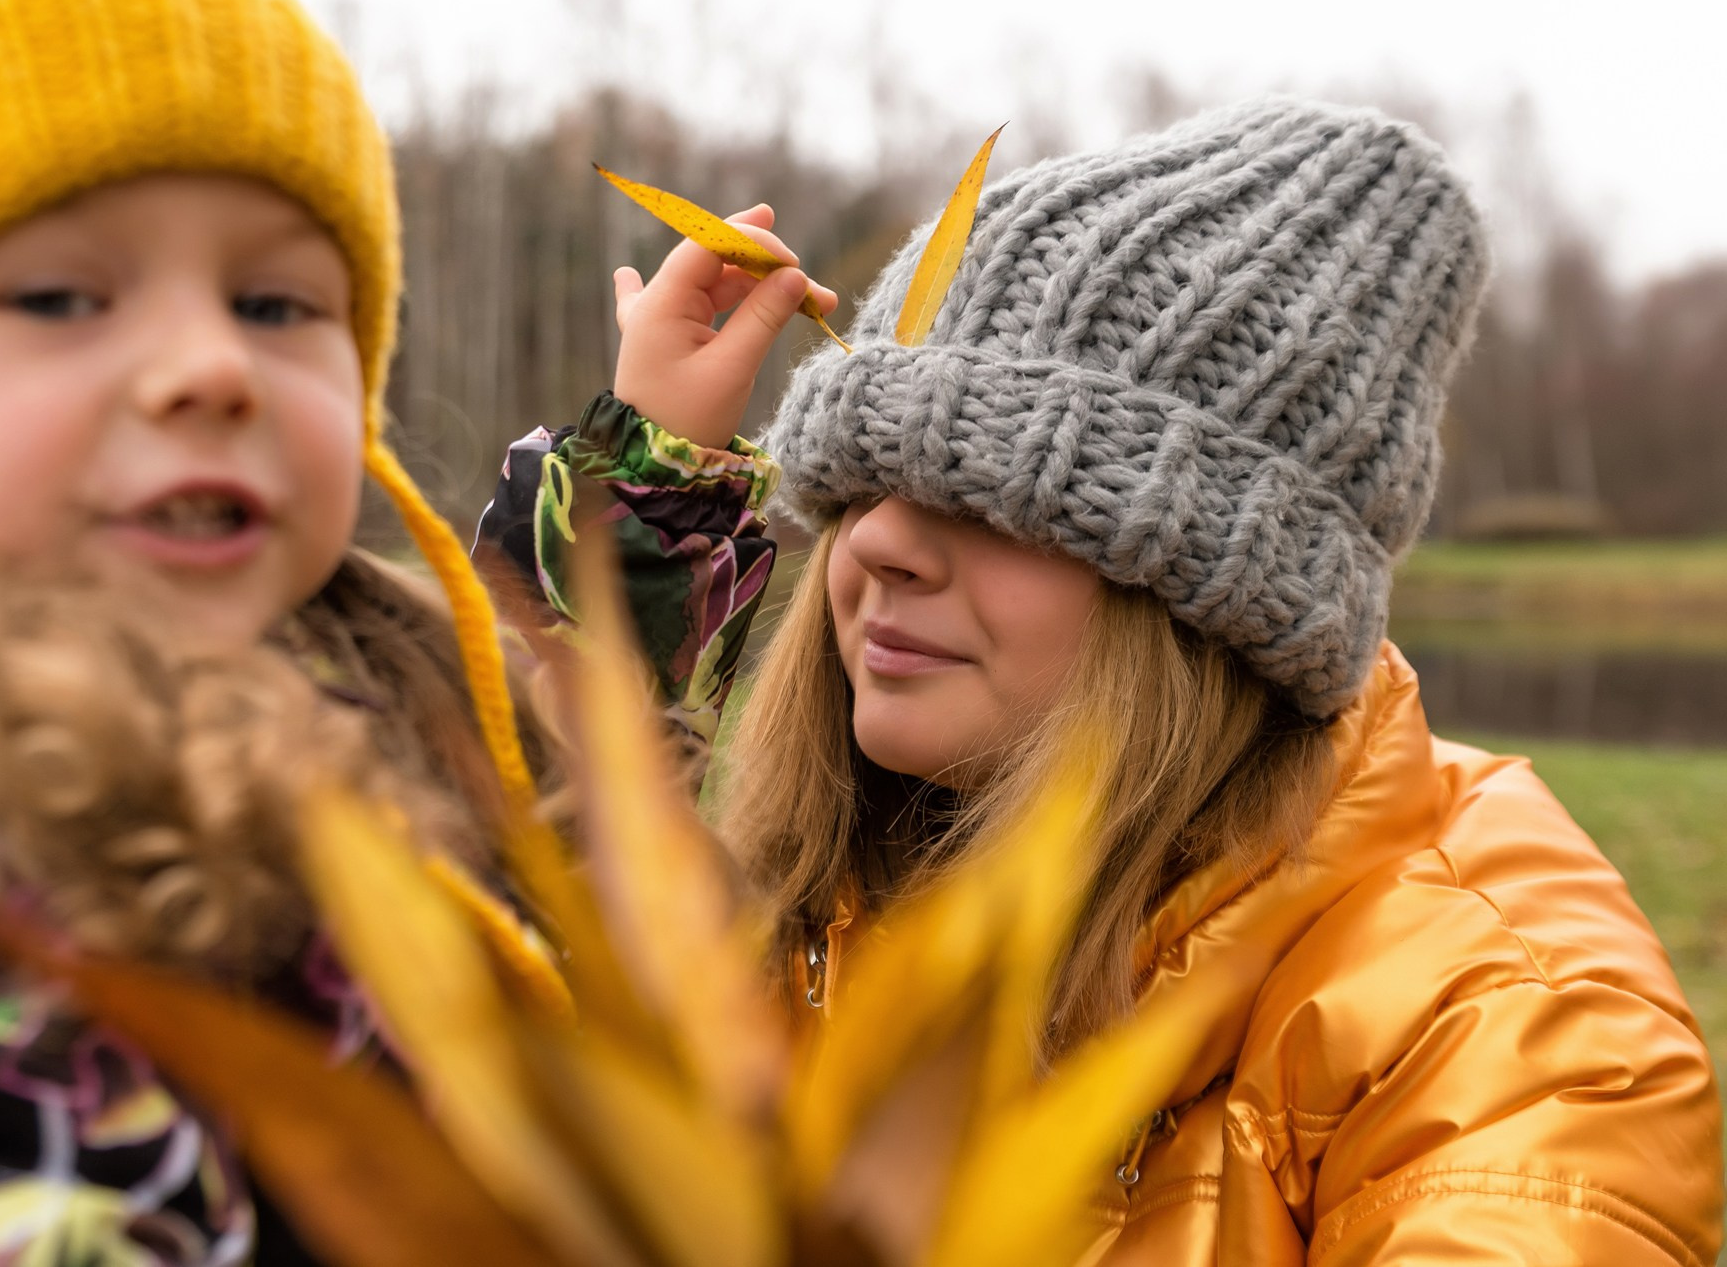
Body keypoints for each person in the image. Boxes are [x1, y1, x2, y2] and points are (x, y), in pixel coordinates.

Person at [0, 0, 812, 1261]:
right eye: (58, 298)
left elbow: (538, 743)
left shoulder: (331, 673)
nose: (210, 366)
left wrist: (654, 459)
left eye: (276, 305)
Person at [603, 98, 1725, 1263]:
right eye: (857, 483)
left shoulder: (1512, 1031)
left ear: (1207, 598)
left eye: (990, 498)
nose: (879, 541)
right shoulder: (826, 898)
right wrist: (620, 562)